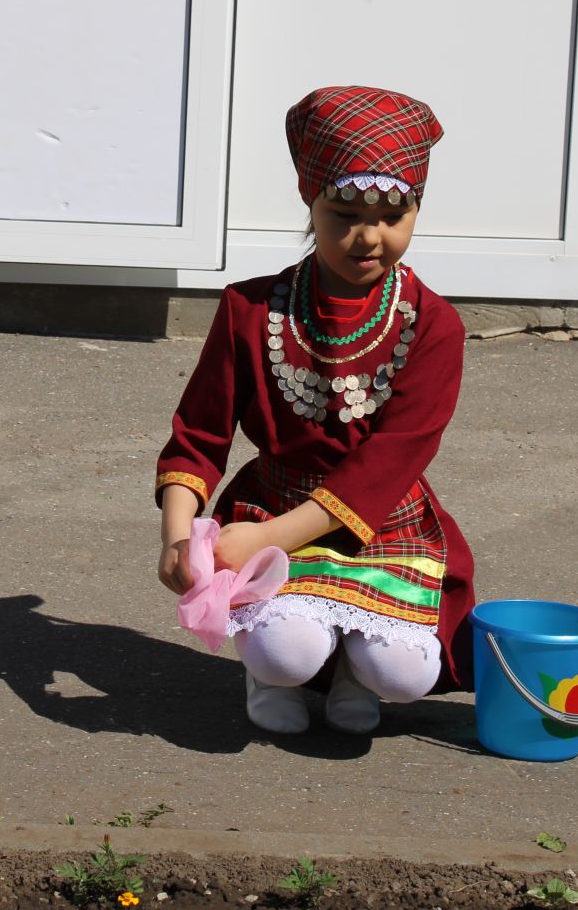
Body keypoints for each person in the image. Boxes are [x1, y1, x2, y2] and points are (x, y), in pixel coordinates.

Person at [154, 86, 475, 735]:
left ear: (416, 208)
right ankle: (271, 670)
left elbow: (392, 460)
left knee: (402, 675)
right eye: (343, 214)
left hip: (382, 522)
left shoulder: (434, 326)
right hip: (273, 503)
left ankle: (356, 673)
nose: (367, 237)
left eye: (391, 216)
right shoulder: (250, 311)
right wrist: (178, 534)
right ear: (310, 200)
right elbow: (200, 432)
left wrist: (269, 540)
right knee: (286, 653)